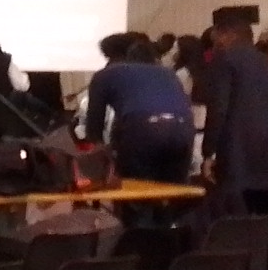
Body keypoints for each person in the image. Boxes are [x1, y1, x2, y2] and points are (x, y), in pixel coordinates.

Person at [202, 9, 268, 216]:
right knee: (266, 221)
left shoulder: (224, 60)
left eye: (216, 39)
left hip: (237, 155)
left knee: (236, 221)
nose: (215, 44)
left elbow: (219, 108)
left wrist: (208, 153)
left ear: (227, 34)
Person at [84, 39, 196, 184]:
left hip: (141, 127)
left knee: (136, 186)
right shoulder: (169, 74)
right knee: (175, 188)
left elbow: (95, 119)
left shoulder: (105, 74)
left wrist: (101, 151)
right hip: (183, 127)